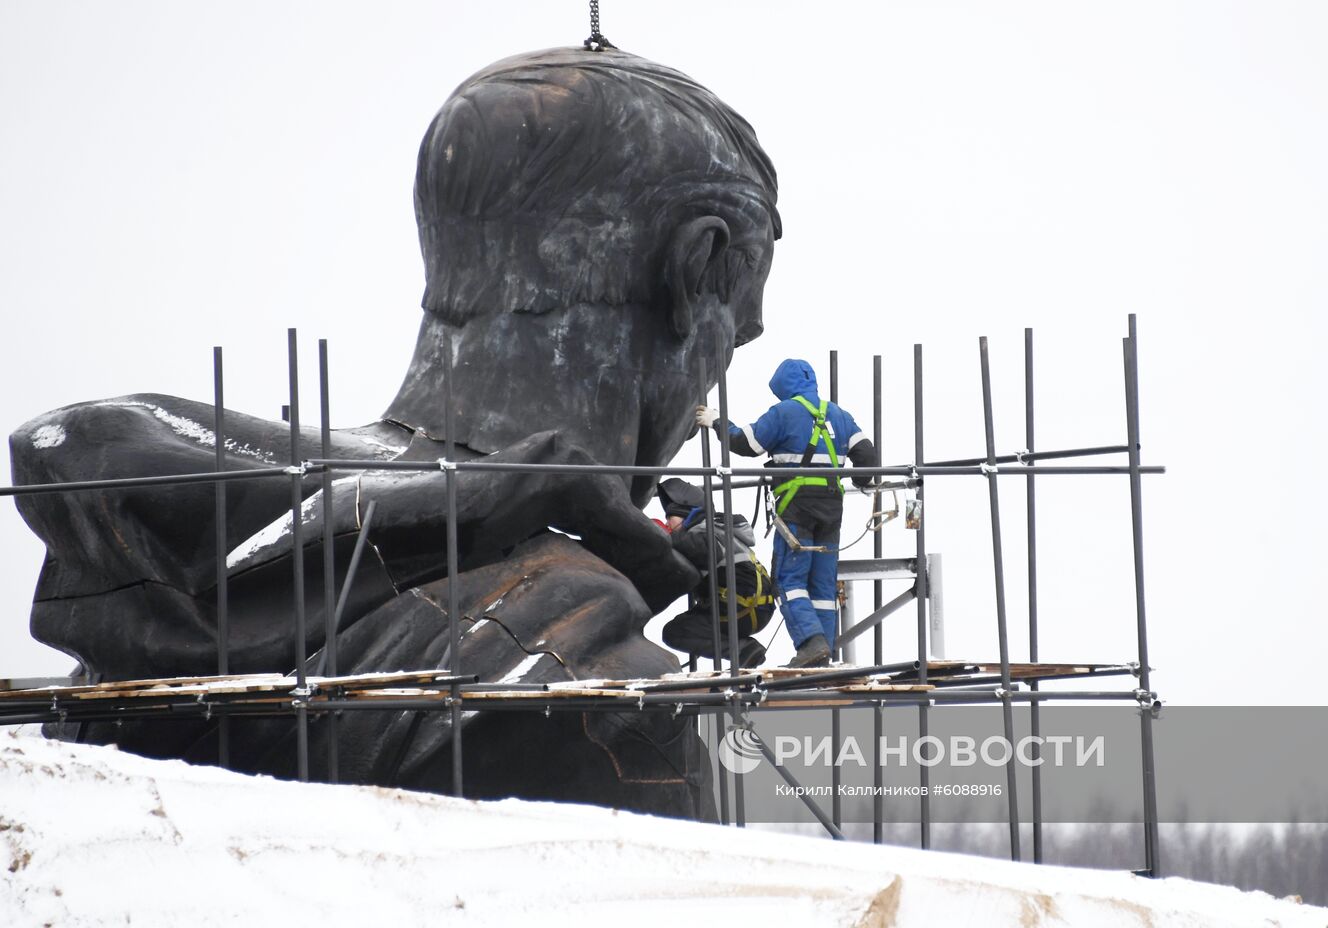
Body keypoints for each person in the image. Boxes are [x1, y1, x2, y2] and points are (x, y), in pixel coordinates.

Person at [9, 47, 780, 819]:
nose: (705, 397)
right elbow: (76, 442)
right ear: (694, 266)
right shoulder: (596, 683)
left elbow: (74, 447)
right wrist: (507, 502)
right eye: (730, 341)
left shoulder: (199, 563)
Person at [695, 359, 876, 667]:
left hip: (797, 507)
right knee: (821, 584)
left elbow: (746, 443)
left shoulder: (785, 412)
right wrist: (862, 481)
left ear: (782, 387)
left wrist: (717, 421)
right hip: (832, 508)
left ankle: (810, 643)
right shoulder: (840, 415)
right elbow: (867, 457)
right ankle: (823, 653)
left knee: (789, 579)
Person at [654, 478, 773, 668]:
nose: (667, 521)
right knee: (687, 623)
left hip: (740, 605)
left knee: (676, 631)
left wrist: (661, 539)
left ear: (688, 513)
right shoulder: (722, 530)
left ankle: (743, 650)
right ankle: (743, 650)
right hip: (753, 605)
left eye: (670, 517)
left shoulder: (704, 531)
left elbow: (705, 549)